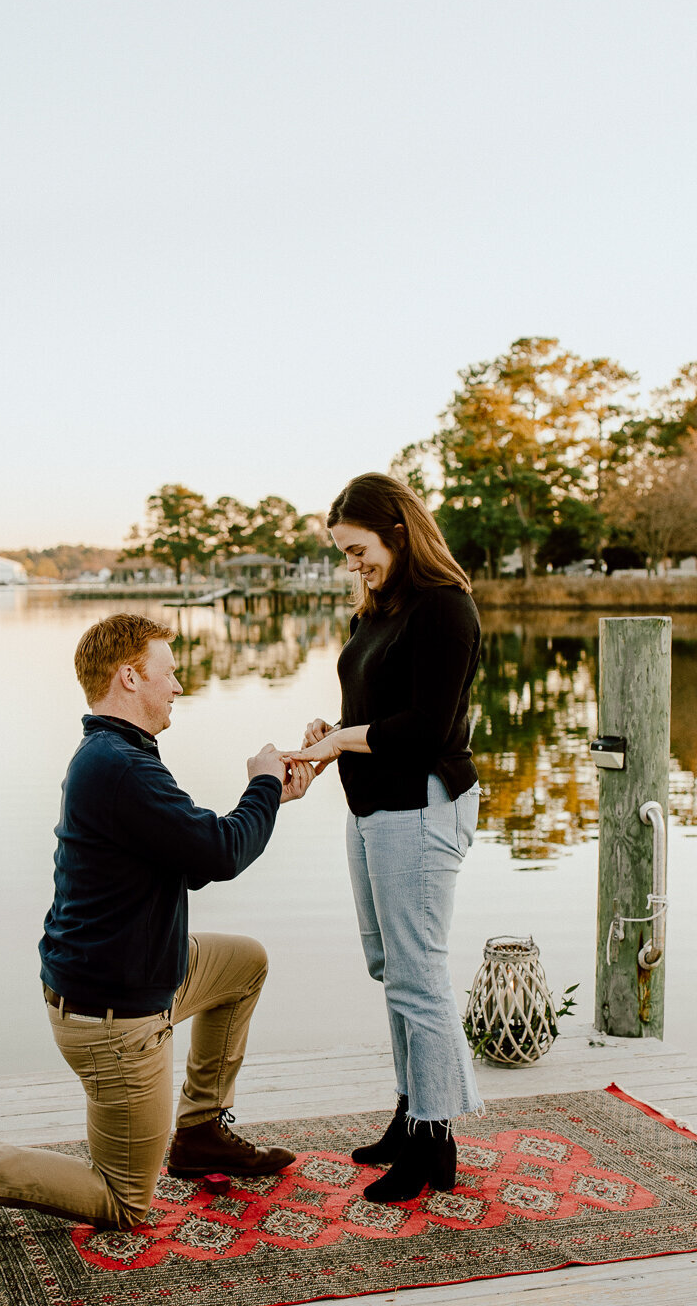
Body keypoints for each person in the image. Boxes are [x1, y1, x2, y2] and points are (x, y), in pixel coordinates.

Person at [0, 612, 313, 1241]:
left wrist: (271, 794)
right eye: (169, 675)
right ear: (128, 677)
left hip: (139, 970)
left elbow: (194, 855)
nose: (179, 687)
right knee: (122, 1201)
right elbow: (218, 855)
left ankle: (198, 1132)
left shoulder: (120, 755)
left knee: (243, 961)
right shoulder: (120, 767)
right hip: (114, 1016)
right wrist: (262, 783)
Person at [283, 472, 482, 1205]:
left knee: (418, 973)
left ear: (398, 531)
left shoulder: (444, 607)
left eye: (357, 549)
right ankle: (411, 1114)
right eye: (342, 553)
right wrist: (329, 736)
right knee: (389, 966)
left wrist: (344, 737)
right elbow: (370, 709)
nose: (351, 565)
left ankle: (436, 1139)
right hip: (371, 807)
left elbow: (427, 728)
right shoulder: (379, 608)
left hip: (422, 806)